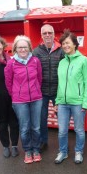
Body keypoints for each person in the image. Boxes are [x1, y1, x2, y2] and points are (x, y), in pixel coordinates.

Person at [54, 29, 87, 164]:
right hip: (63, 103)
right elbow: (60, 84)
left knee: (79, 130)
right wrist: (57, 102)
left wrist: (86, 103)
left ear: (75, 44)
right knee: (62, 131)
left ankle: (78, 152)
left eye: (68, 43)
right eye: (63, 43)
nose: (65, 46)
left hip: (78, 102)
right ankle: (63, 152)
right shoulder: (62, 63)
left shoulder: (83, 60)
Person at [4, 35, 43, 164]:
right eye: (20, 47)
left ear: (29, 48)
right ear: (15, 48)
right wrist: (16, 95)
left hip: (36, 99)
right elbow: (8, 83)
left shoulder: (36, 61)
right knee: (25, 127)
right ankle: (27, 150)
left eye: (25, 47)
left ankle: (36, 150)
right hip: (20, 101)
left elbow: (39, 78)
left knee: (36, 127)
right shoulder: (11, 63)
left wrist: (36, 90)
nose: (23, 49)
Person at [33, 24, 64, 152]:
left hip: (58, 91)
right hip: (42, 92)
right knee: (41, 119)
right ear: (41, 35)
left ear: (54, 34)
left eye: (49, 33)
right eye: (44, 33)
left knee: (61, 118)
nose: (47, 35)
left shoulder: (61, 50)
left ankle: (63, 144)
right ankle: (43, 141)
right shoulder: (36, 51)